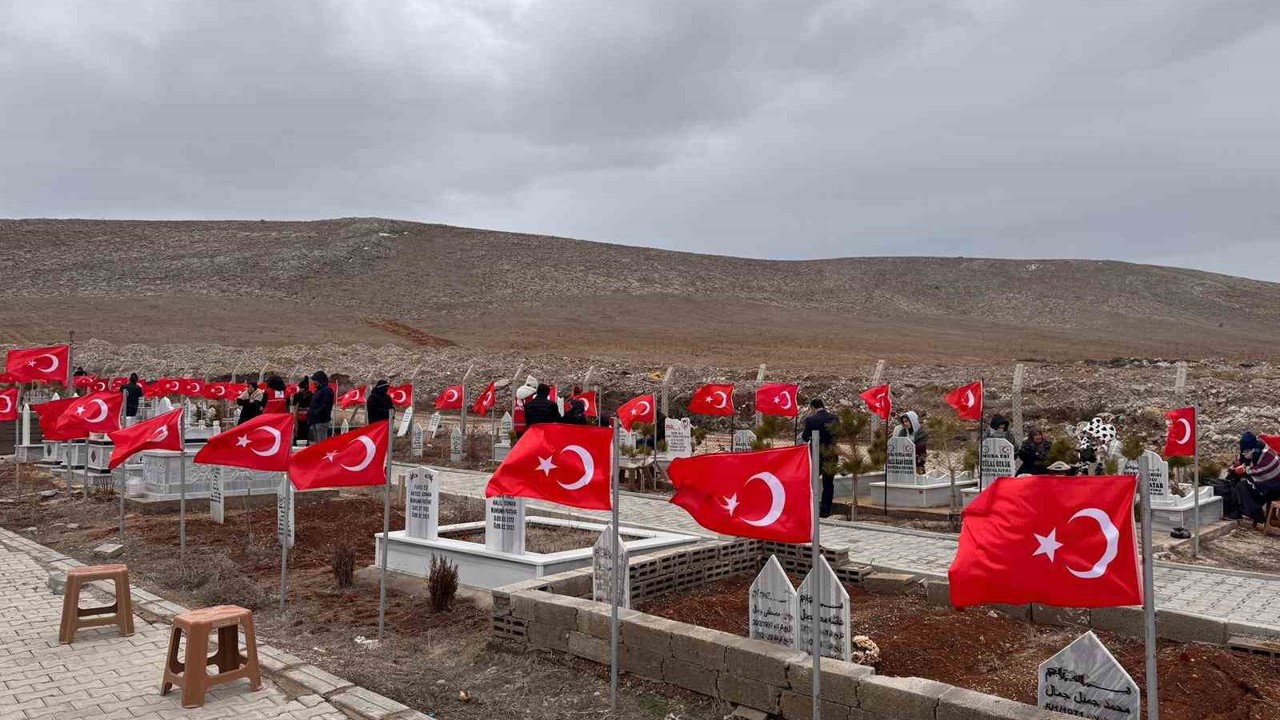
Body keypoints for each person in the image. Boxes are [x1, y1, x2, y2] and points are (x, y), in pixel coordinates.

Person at [1227, 432, 1280, 523]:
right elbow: (1241, 459)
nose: (1245, 452)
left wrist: (1245, 470)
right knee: (1236, 482)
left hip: (1275, 485)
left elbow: (1263, 471)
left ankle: (1257, 515)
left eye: (1247, 450)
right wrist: (1234, 467)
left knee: (1243, 486)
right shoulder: (1252, 451)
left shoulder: (1266, 454)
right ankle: (1242, 511)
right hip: (1265, 482)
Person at [802, 398, 838, 518]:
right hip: (831, 454)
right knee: (828, 484)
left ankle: (810, 508)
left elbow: (805, 437)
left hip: (816, 455)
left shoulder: (811, 419)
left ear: (812, 408)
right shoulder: (834, 418)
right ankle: (825, 511)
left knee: (811, 482)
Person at [308, 371, 334, 442]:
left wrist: (316, 413)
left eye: (315, 381)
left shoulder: (327, 390)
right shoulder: (319, 390)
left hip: (321, 420)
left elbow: (325, 406)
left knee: (321, 442)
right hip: (315, 420)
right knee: (317, 442)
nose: (314, 383)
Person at [291, 376, 313, 442]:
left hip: (298, 417)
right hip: (307, 418)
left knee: (298, 434)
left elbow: (295, 408)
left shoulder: (297, 395)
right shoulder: (311, 395)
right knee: (305, 435)